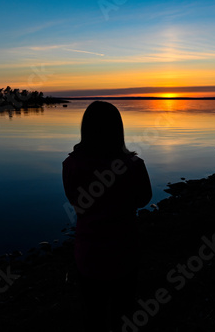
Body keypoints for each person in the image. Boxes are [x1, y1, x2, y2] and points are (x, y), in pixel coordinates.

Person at [62, 101, 152, 332]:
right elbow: (144, 199)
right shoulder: (133, 165)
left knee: (93, 314)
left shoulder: (71, 164)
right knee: (124, 312)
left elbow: (74, 200)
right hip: (124, 251)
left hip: (89, 253)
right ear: (118, 129)